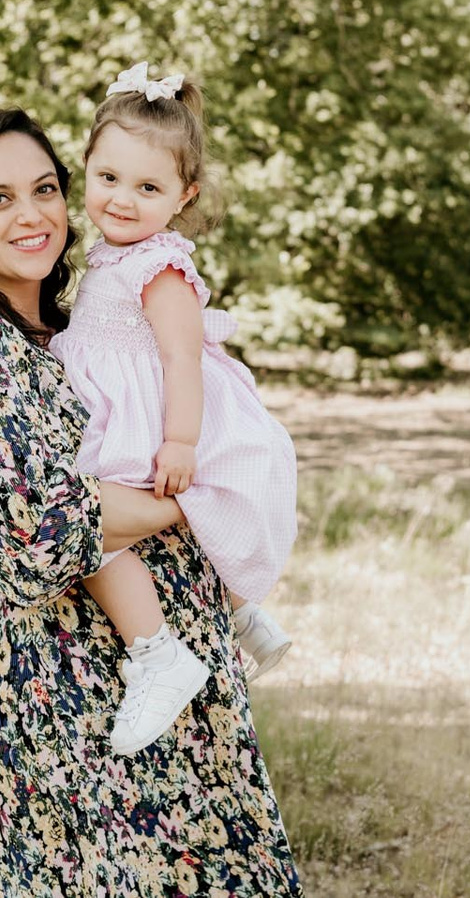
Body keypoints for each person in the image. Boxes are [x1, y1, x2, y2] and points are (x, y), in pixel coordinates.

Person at [0, 107, 302, 897]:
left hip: (170, 670)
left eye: (44, 189)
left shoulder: (75, 329)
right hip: (62, 689)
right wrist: (210, 491)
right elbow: (54, 522)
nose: (31, 214)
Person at [50, 64, 299, 755]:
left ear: (185, 195)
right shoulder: (106, 253)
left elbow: (182, 357)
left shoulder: (159, 266)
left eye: (148, 188)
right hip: (125, 403)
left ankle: (157, 653)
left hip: (158, 414)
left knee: (90, 529)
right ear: (86, 167)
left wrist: (181, 441)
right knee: (126, 526)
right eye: (108, 178)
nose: (122, 200)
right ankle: (245, 615)